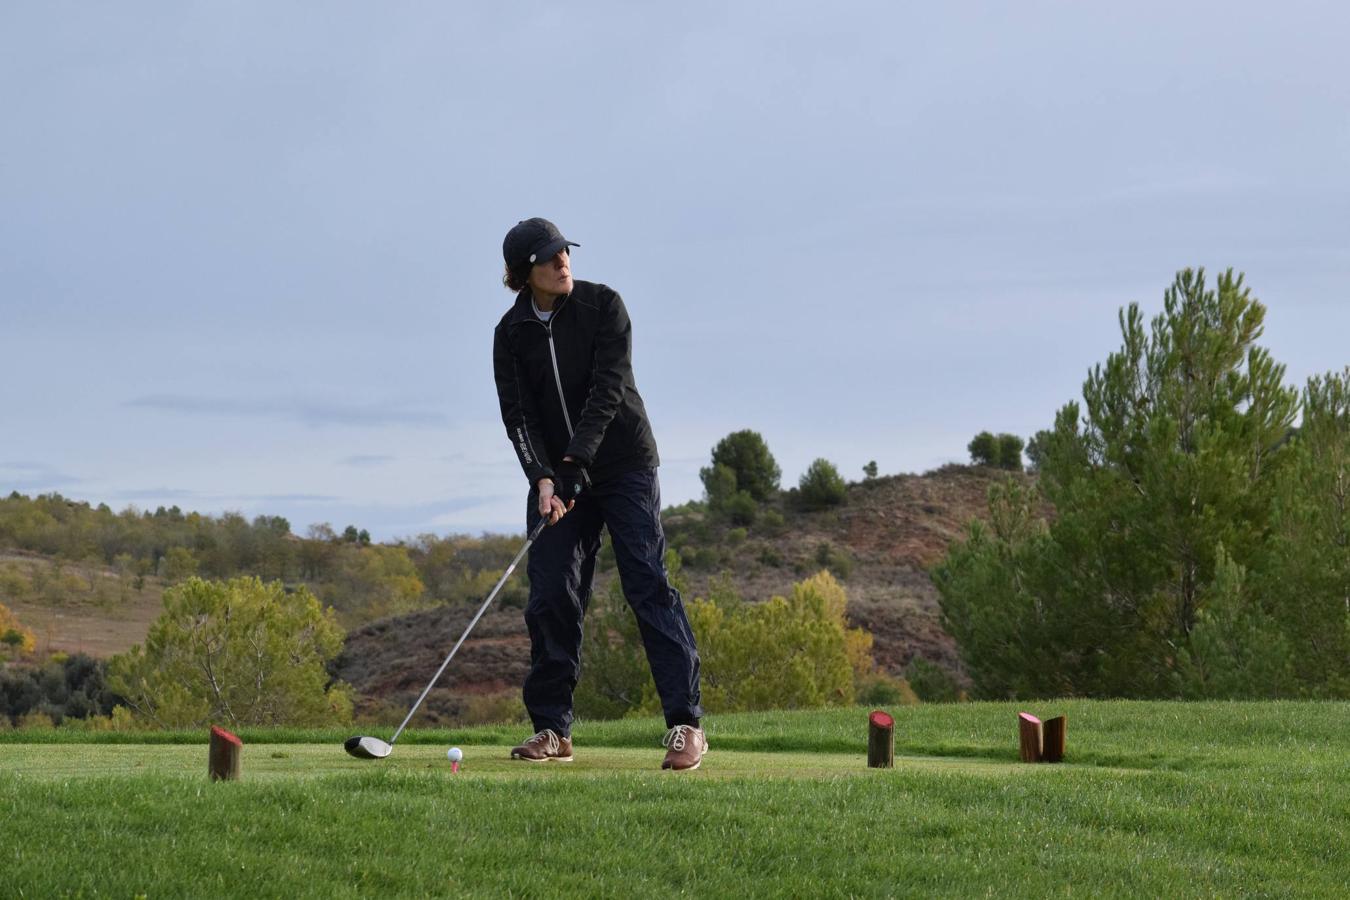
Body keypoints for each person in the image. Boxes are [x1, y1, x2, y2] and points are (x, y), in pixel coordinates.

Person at [492, 217, 706, 771]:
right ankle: (551, 730)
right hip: (558, 481)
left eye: (564, 250)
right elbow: (518, 416)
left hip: (623, 464)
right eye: (548, 257)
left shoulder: (603, 305)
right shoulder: (510, 334)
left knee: (646, 583)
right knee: (550, 595)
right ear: (523, 274)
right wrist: (542, 477)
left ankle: (686, 726)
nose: (563, 261)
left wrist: (571, 466)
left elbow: (607, 393)